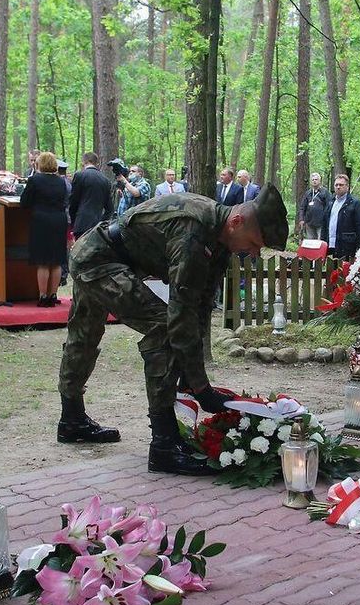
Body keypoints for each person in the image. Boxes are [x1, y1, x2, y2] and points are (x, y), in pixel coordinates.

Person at [57, 186, 290, 475]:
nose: (254, 254)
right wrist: (201, 389)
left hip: (108, 255)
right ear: (237, 222)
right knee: (162, 329)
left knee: (86, 334)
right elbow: (180, 316)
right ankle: (164, 444)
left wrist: (193, 380)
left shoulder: (218, 237)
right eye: (255, 243)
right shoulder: (194, 231)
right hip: (98, 258)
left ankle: (72, 421)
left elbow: (200, 306)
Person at [21, 152, 70, 307]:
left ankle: (42, 296)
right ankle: (53, 294)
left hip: (41, 220)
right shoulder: (62, 182)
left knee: (42, 261)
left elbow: (25, 202)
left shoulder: (34, 180)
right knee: (56, 261)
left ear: (39, 164)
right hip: (59, 220)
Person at [68, 151, 114, 239]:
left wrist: (74, 223)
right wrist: (101, 222)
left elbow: (73, 202)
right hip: (98, 227)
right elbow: (110, 209)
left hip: (81, 223)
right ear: (97, 163)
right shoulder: (105, 180)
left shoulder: (79, 175)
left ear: (83, 162)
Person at [322, 174, 360, 259]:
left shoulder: (355, 203)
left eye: (341, 185)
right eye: (336, 185)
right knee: (331, 270)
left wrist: (359, 247)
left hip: (347, 246)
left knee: (345, 270)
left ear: (347, 186)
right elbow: (324, 223)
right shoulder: (330, 202)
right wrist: (323, 240)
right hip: (330, 244)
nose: (338, 187)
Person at [299, 172, 333, 240]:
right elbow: (302, 207)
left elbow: (329, 207)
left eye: (316, 179)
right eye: (313, 179)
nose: (314, 181)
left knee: (320, 243)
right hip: (309, 223)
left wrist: (326, 219)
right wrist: (301, 219)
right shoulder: (308, 193)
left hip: (321, 223)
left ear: (320, 181)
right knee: (311, 243)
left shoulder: (325, 192)